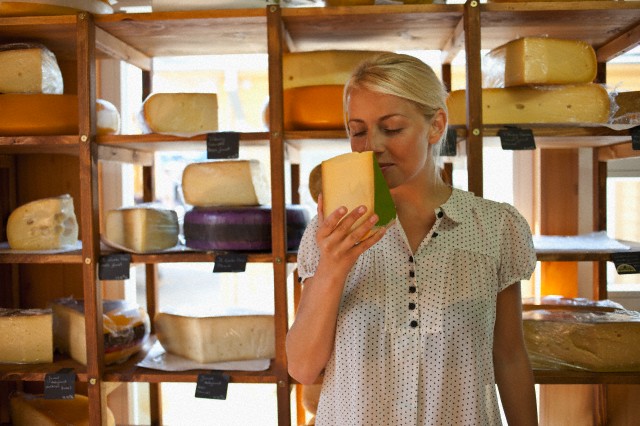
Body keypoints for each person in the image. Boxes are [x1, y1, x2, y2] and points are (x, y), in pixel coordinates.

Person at [286, 52, 539, 425]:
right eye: (358, 131)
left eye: (391, 128)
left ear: (436, 125)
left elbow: (510, 357)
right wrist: (333, 268)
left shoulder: (496, 227)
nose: (372, 145)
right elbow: (303, 368)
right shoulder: (331, 231)